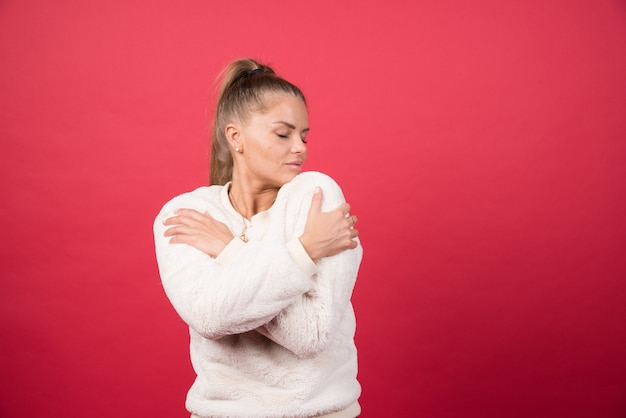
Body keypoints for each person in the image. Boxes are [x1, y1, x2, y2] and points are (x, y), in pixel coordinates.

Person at [153, 58, 363, 418]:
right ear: (236, 137)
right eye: (283, 134)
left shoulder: (316, 196)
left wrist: (229, 251)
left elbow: (310, 335)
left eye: (304, 136)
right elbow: (209, 317)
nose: (300, 148)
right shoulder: (188, 215)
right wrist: (305, 249)